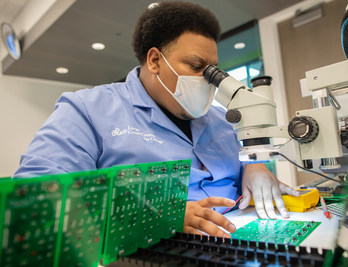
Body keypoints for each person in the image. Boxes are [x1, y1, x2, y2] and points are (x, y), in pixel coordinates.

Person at [14, 1, 299, 238]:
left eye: (213, 70)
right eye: (197, 67)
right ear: (154, 60)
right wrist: (156, 215)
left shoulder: (221, 121)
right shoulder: (88, 110)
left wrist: (254, 166)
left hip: (233, 238)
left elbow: (248, 165)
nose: (208, 80)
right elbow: (33, 202)